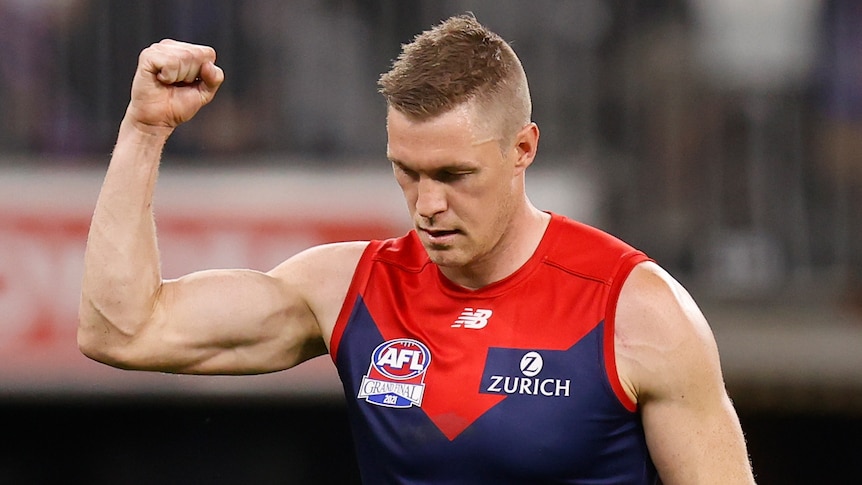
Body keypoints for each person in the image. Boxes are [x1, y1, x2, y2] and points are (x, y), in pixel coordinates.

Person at [78, 14, 755, 484]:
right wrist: (144, 128)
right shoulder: (351, 288)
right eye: (408, 171)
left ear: (524, 149)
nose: (428, 203)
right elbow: (122, 329)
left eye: (455, 175)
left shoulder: (635, 309)